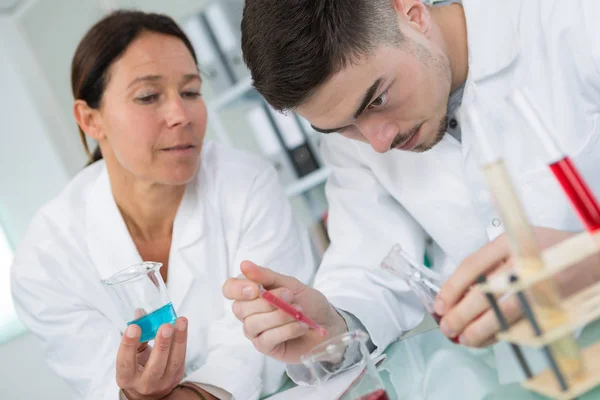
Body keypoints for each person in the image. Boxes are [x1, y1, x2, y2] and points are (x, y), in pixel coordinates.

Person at [223, 0, 600, 378]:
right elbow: (368, 262)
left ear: (413, 14)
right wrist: (333, 327)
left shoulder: (571, 19)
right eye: (341, 127)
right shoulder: (355, 142)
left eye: (379, 99)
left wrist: (591, 264)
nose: (379, 142)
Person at [10, 10, 315, 400]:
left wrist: (197, 394)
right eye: (148, 96)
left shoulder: (246, 183)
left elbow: (265, 339)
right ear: (90, 120)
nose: (180, 115)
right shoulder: (46, 257)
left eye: (191, 92)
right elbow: (103, 381)